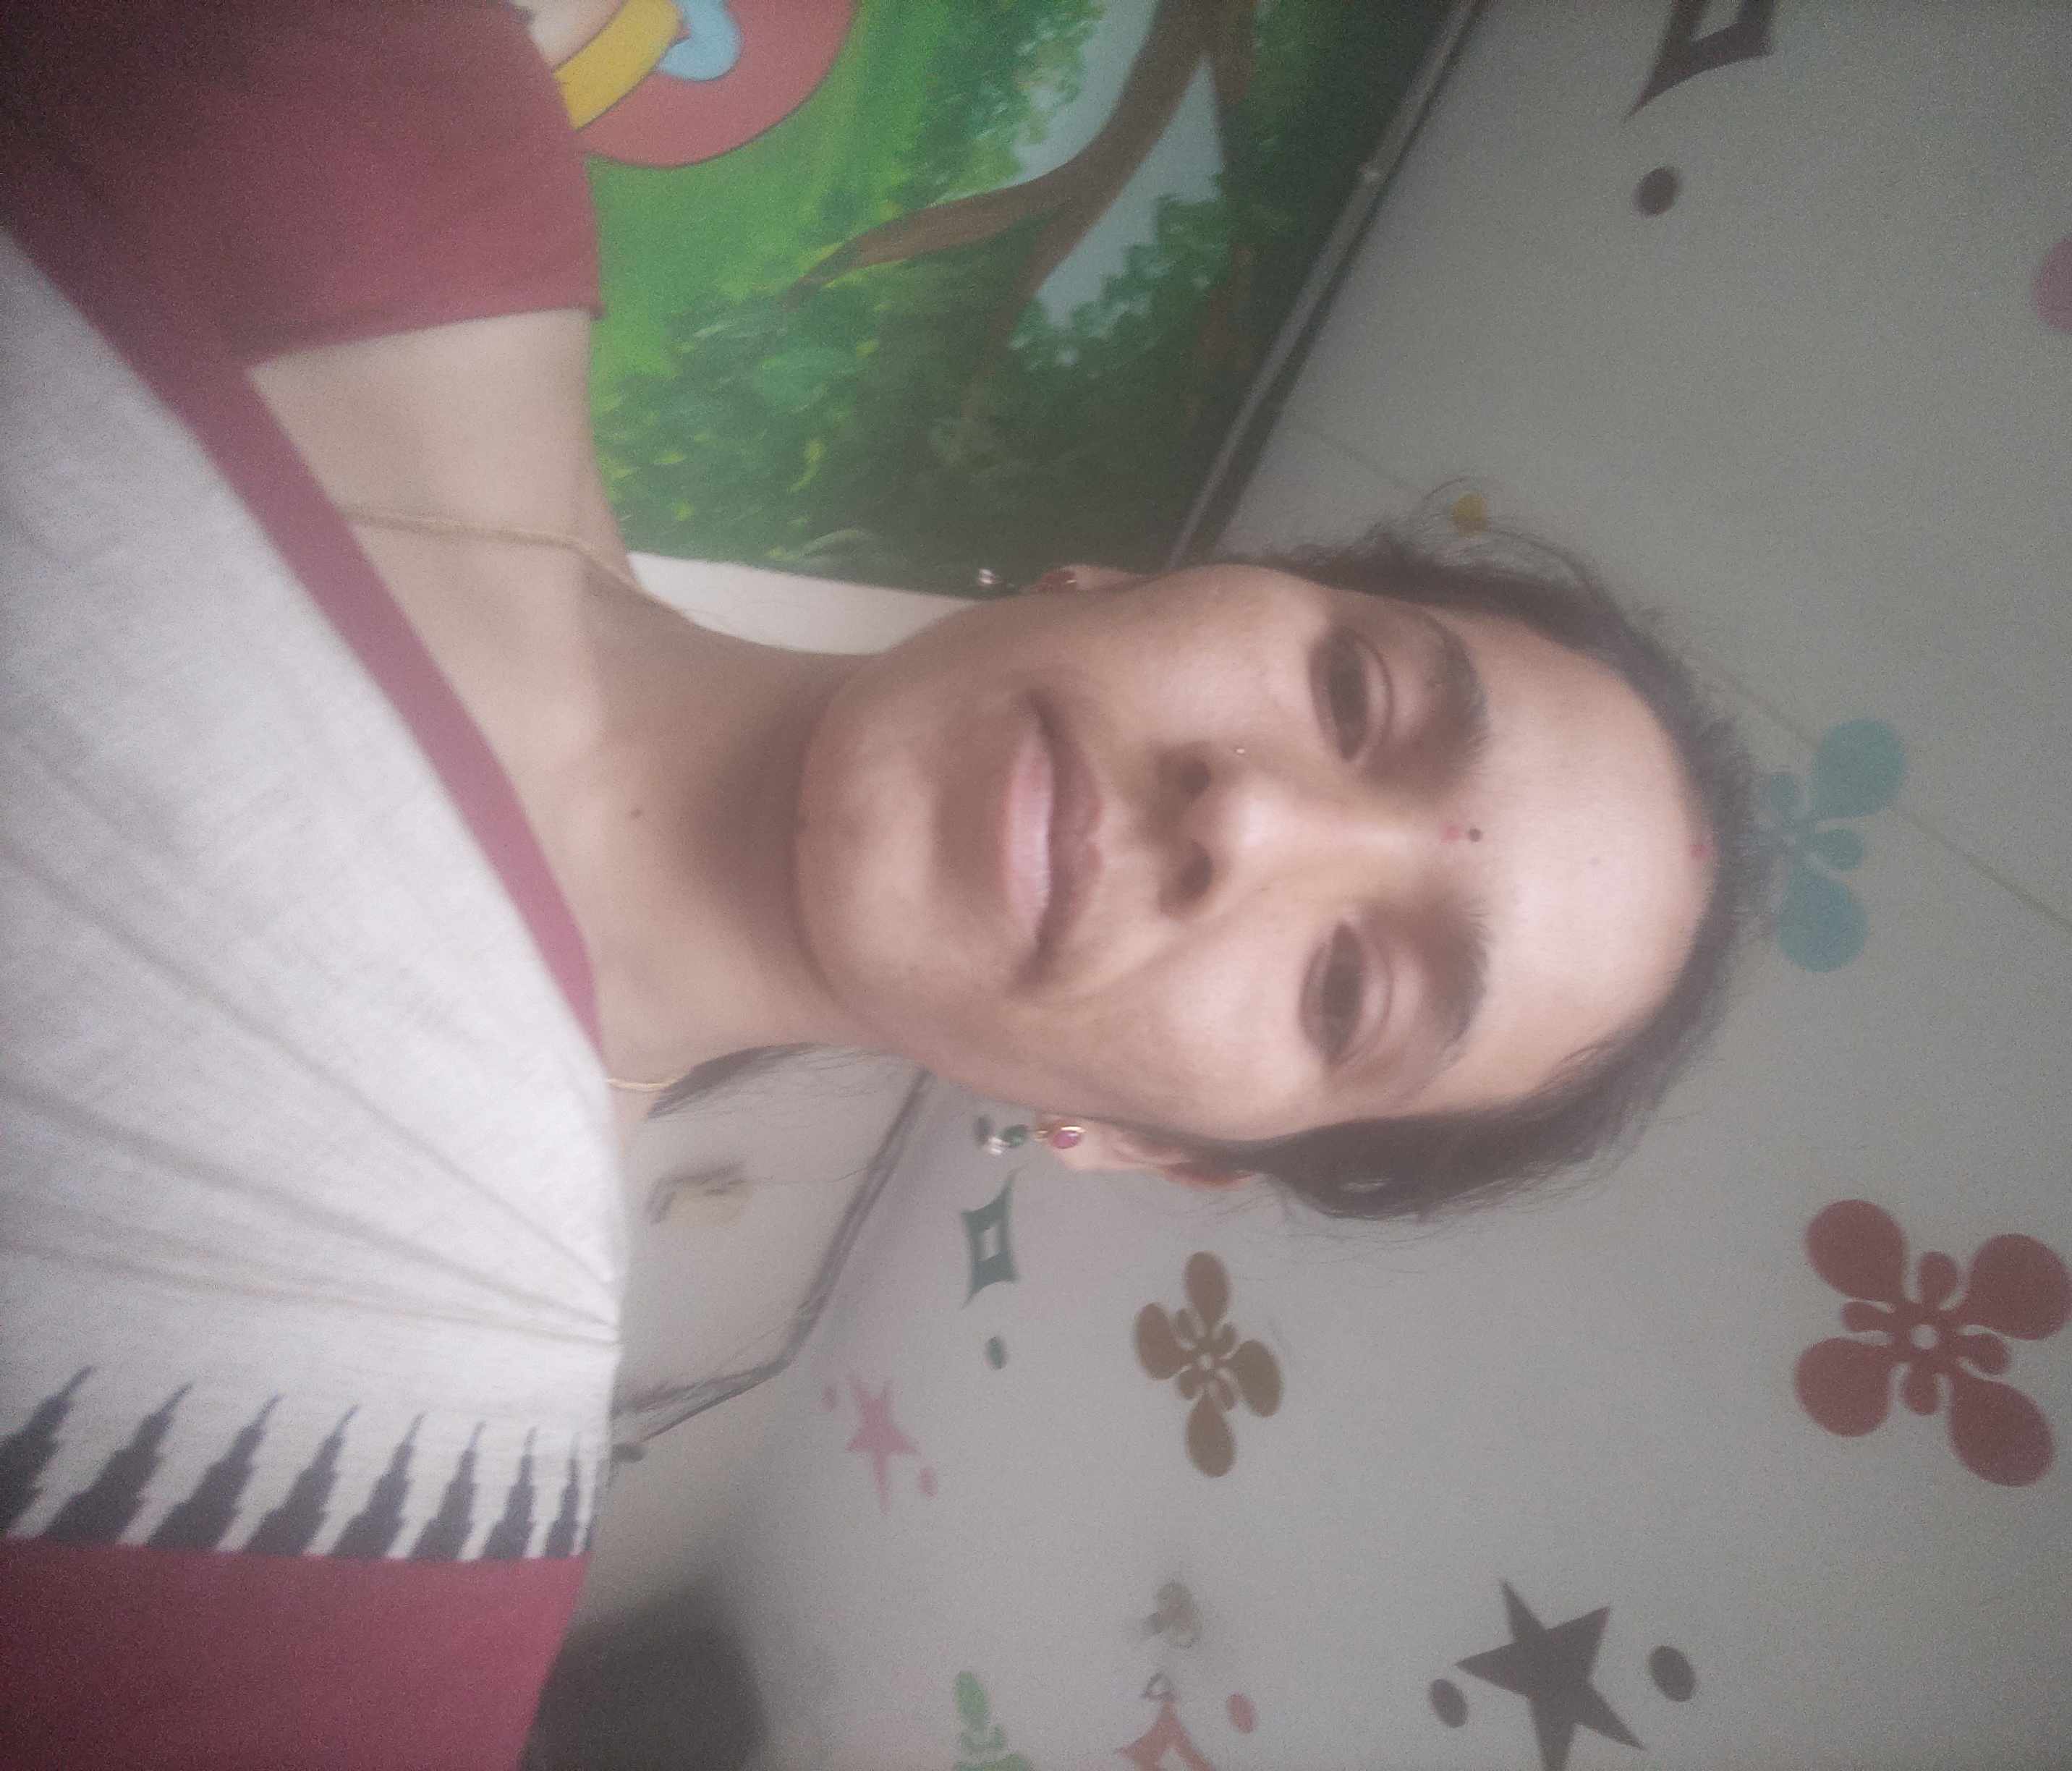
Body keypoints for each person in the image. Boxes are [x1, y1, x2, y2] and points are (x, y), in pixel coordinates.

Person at [0, 1, 1760, 1764]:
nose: (1249, 823)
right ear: (1133, 581)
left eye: (1346, 989)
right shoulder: (386, 105)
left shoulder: (335, 1571)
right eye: (1355, 696)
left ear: (1150, 1148)